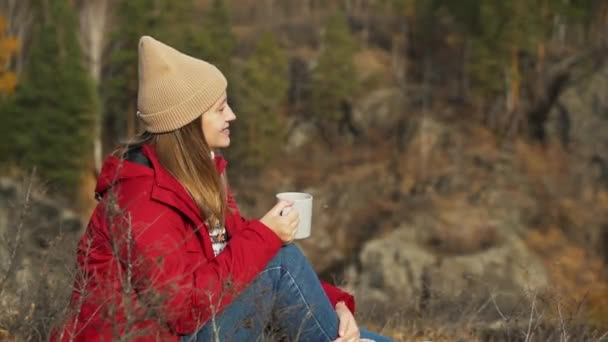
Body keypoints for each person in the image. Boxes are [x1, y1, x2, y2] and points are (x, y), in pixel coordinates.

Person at [51, 36, 393, 342]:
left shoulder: (198, 176)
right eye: (220, 108)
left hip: (199, 326)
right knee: (279, 259)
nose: (232, 115)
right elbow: (182, 309)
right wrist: (266, 234)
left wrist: (336, 305)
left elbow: (235, 249)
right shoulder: (141, 201)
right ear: (187, 124)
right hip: (157, 335)